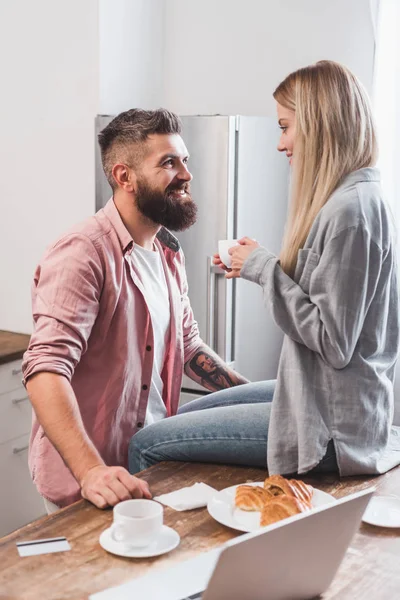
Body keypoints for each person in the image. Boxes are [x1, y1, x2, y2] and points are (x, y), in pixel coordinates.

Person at [129, 60, 400, 479]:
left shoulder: (351, 212)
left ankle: (153, 542)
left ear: (319, 125)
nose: (280, 143)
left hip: (330, 428)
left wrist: (263, 268)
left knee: (147, 443)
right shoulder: (354, 200)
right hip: (322, 398)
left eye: (285, 126)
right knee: (183, 416)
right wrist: (262, 261)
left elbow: (333, 342)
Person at [22, 108, 252, 512]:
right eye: (169, 162)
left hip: (146, 467)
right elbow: (45, 369)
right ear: (124, 176)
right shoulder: (84, 253)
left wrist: (252, 400)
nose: (186, 173)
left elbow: (188, 347)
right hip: (88, 482)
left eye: (185, 161)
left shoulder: (166, 253)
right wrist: (92, 471)